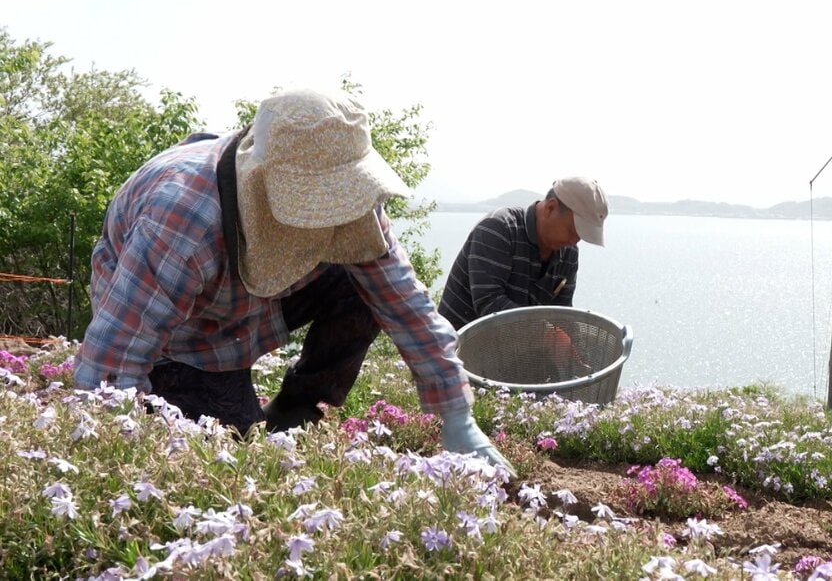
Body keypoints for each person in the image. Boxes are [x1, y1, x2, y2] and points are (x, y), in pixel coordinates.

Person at [73, 89, 512, 473]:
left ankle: (299, 403)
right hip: (183, 335)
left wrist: (457, 413)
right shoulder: (181, 220)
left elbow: (402, 301)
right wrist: (121, 460)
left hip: (253, 306)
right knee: (227, 457)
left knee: (361, 286)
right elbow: (112, 366)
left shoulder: (352, 193)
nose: (325, 227)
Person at [437, 177, 608, 381]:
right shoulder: (498, 229)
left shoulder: (568, 253)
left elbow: (562, 313)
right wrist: (549, 334)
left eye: (580, 235)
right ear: (550, 208)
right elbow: (489, 304)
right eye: (572, 231)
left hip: (513, 359)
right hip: (456, 359)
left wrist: (577, 355)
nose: (574, 240)